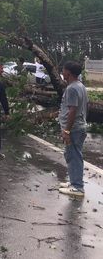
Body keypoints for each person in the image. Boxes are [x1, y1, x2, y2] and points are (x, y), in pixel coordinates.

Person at [58, 61, 89, 197]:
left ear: (68, 73)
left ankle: (77, 187)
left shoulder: (72, 89)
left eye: (63, 70)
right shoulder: (80, 86)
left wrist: (67, 130)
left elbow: (72, 110)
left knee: (74, 155)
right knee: (71, 154)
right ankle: (74, 181)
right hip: (78, 126)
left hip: (74, 128)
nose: (62, 73)